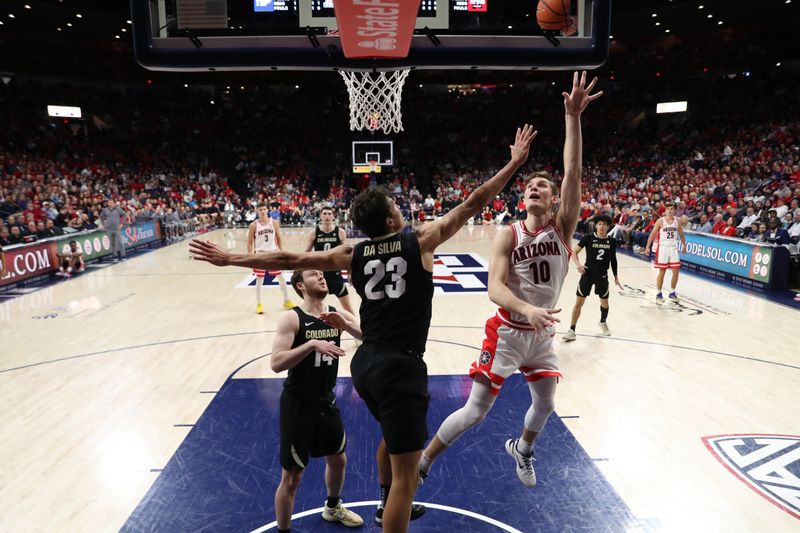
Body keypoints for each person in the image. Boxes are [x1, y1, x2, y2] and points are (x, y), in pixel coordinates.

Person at [190, 119, 539, 532]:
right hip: (399, 367)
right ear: (392, 221)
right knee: (407, 481)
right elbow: (474, 202)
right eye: (395, 207)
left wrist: (230, 259)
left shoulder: (351, 253)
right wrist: (514, 164)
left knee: (392, 441)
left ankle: (379, 505)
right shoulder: (420, 240)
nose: (399, 209)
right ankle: (391, 509)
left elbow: (289, 262)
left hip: (365, 364)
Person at [417, 72, 602, 491]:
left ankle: (523, 448)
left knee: (547, 402)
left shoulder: (562, 229)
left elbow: (573, 170)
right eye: (531, 185)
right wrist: (527, 309)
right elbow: (495, 289)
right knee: (476, 411)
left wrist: (572, 116)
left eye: (544, 186)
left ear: (554, 201)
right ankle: (425, 460)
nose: (536, 187)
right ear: (524, 199)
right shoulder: (509, 234)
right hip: (508, 331)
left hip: (541, 335)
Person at [271, 269, 364, 532]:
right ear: (300, 285)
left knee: (338, 459)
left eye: (322, 274)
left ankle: (332, 507)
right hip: (297, 404)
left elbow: (370, 337)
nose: (322, 277)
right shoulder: (293, 318)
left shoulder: (335, 312)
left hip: (326, 400)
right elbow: (276, 363)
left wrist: (345, 325)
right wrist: (311, 345)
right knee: (292, 478)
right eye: (314, 275)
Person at [563, 214, 622, 341]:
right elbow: (574, 252)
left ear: (608, 226)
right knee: (579, 303)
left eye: (604, 224)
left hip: (602, 275)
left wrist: (616, 276)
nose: (601, 226)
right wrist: (578, 265)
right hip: (588, 274)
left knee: (605, 302)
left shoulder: (611, 241)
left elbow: (613, 259)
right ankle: (572, 330)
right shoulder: (588, 238)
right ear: (596, 225)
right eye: (599, 224)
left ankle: (603, 322)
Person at [304, 207, 355, 315]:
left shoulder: (340, 232)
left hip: (335, 274)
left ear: (333, 216)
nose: (327, 216)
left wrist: (350, 272)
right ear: (321, 216)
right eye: (325, 214)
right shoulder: (314, 233)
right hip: (320, 274)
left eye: (329, 214)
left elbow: (346, 254)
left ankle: (359, 329)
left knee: (349, 309)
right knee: (315, 308)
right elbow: (306, 253)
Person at [248, 203, 295, 313]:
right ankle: (259, 303)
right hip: (260, 253)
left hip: (273, 253)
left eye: (264, 209)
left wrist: (281, 252)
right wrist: (250, 256)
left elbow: (279, 238)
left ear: (267, 210)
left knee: (281, 277)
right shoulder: (253, 225)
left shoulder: (274, 222)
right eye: (260, 209)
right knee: (259, 280)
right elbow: (250, 241)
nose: (263, 211)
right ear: (257, 211)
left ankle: (286, 300)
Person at [645, 202, 687, 302]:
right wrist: (647, 247)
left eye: (672, 208)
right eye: (668, 208)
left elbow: (680, 233)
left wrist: (684, 244)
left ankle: (672, 292)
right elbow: (652, 234)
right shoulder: (660, 221)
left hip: (673, 249)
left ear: (674, 210)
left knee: (676, 271)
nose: (670, 210)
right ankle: (659, 293)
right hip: (663, 249)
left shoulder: (677, 221)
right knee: (662, 272)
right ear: (665, 210)